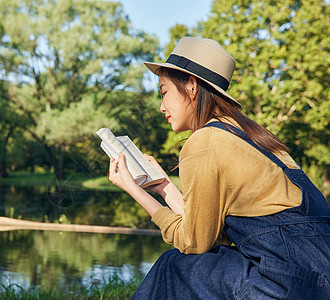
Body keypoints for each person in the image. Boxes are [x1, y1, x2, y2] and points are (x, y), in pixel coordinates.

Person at [107, 37, 330, 299]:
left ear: (191, 86)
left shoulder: (204, 142)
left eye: (164, 91)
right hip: (314, 278)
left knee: (173, 266)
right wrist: (164, 187)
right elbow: (209, 237)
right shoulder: (248, 135)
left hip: (287, 285)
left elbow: (193, 243)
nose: (161, 106)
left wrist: (136, 191)